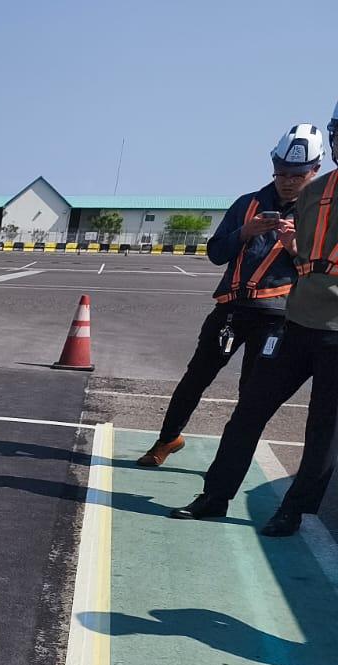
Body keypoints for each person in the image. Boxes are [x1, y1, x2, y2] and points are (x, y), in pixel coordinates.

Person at [173, 113, 338, 536]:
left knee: (323, 428)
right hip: (298, 323)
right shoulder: (316, 193)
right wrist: (292, 246)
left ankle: (293, 511)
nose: (289, 179)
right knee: (249, 411)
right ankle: (215, 496)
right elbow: (306, 260)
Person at [139, 124, 325, 467]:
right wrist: (244, 232)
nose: (287, 180)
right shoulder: (246, 204)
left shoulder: (320, 213)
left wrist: (293, 246)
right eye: (281, 172)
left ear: (315, 171)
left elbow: (321, 271)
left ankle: (226, 465)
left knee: (251, 395)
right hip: (230, 309)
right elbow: (215, 253)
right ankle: (167, 440)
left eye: (297, 175)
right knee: (195, 378)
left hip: (276, 317)